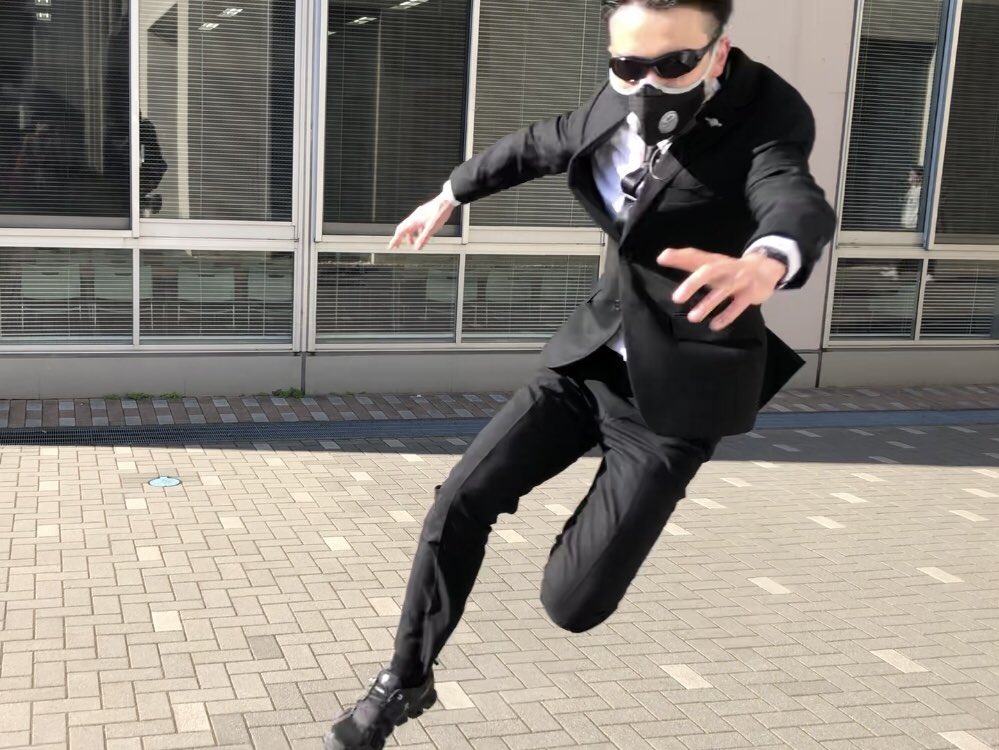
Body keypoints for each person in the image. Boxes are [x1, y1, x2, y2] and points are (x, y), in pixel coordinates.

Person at [324, 1, 836, 747]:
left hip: (677, 394)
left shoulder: (767, 116)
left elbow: (790, 193)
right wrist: (450, 193)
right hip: (589, 359)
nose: (648, 85)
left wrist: (769, 259)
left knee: (572, 603)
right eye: (629, 66)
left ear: (718, 53)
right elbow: (537, 144)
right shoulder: (615, 100)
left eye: (674, 65)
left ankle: (604, 520)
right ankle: (404, 680)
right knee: (458, 501)